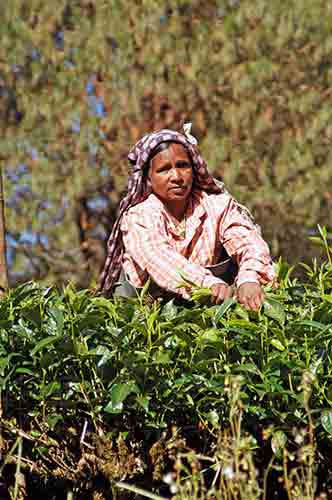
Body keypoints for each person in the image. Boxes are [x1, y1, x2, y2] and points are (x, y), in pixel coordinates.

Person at [99, 125, 276, 310]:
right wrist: (208, 284)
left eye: (183, 166)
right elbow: (160, 259)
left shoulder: (217, 206)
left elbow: (249, 243)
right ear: (148, 179)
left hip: (204, 314)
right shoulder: (139, 217)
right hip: (147, 321)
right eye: (164, 169)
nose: (176, 176)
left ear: (194, 169)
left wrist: (249, 279)